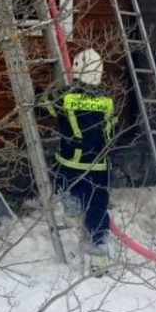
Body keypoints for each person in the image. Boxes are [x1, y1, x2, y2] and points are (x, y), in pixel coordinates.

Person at [43, 49, 115, 274]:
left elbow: (43, 107)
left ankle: (72, 212)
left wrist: (44, 91)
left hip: (70, 165)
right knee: (98, 210)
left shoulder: (65, 98)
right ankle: (99, 261)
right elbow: (111, 132)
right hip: (100, 167)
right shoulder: (107, 101)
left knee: (68, 191)